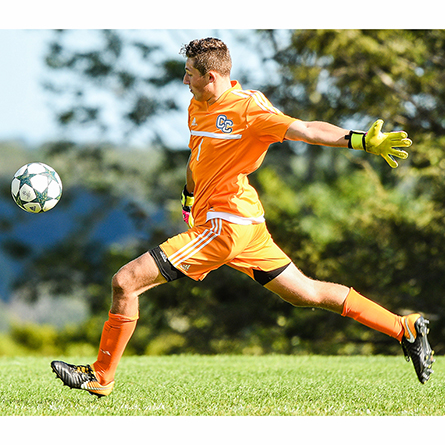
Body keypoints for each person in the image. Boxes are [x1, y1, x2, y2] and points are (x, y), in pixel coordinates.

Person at [51, 37, 434, 397]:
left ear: (210, 76)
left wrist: (361, 138)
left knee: (125, 281)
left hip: (226, 225)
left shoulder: (249, 109)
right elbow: (198, 156)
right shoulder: (197, 105)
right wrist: (188, 196)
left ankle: (101, 376)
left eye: (189, 73)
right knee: (308, 293)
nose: (184, 79)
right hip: (241, 226)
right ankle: (404, 327)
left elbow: (306, 129)